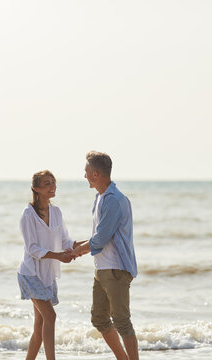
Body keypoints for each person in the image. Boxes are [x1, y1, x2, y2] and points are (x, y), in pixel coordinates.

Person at [71, 151, 139, 360]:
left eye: (86, 172)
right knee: (99, 319)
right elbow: (98, 236)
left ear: (95, 174)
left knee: (122, 321)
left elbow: (100, 239)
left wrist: (76, 251)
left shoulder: (113, 200)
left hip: (115, 269)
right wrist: (77, 246)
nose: (84, 176)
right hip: (102, 269)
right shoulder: (101, 197)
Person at [17, 170, 85, 360]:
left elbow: (64, 240)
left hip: (46, 274)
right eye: (47, 183)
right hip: (30, 273)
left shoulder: (56, 211)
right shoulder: (28, 214)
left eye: (53, 182)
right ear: (36, 188)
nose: (52, 186)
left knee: (39, 326)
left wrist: (83, 245)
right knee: (50, 317)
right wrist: (58, 256)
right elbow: (32, 248)